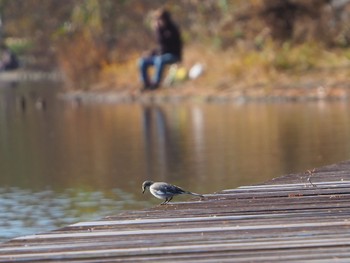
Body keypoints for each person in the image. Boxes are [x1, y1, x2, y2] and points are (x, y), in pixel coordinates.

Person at [138, 8, 182, 90]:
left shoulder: (172, 29)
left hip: (173, 55)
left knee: (160, 60)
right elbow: (160, 47)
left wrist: (158, 30)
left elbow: (167, 46)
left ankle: (155, 83)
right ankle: (146, 84)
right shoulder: (161, 30)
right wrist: (151, 53)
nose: (158, 21)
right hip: (161, 55)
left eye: (159, 19)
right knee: (142, 61)